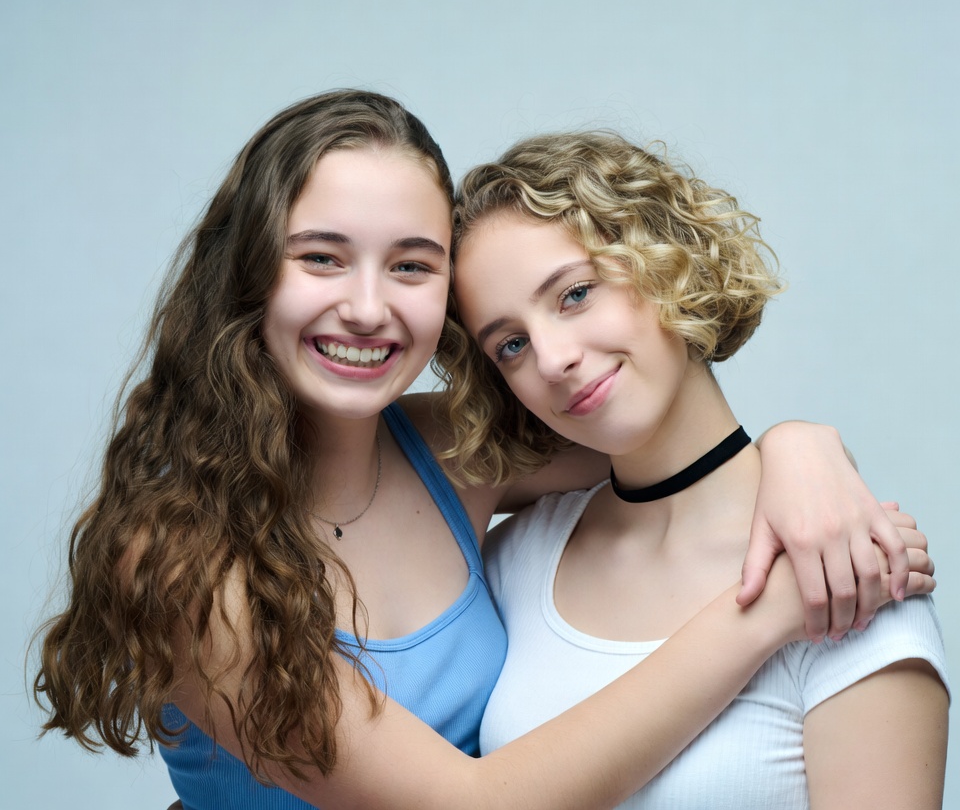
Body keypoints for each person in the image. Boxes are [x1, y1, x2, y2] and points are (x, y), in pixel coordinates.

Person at [33, 92, 933, 810]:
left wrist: (804, 447)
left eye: (412, 265)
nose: (369, 308)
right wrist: (770, 612)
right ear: (248, 274)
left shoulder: (451, 454)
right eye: (322, 257)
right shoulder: (179, 557)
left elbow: (662, 438)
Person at [446, 130, 949, 809]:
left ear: (665, 260)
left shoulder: (845, 571)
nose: (553, 358)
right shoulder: (514, 561)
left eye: (575, 294)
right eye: (511, 345)